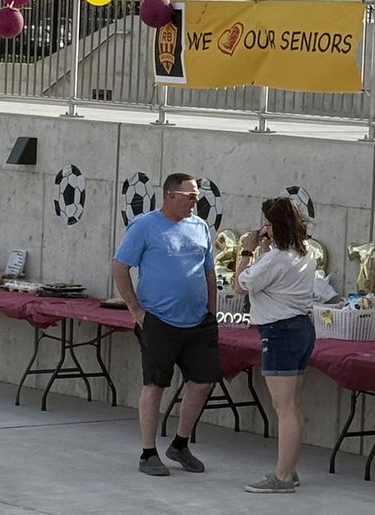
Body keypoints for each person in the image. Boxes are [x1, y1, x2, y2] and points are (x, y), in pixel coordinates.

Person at [112, 173, 221, 477]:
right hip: (158, 320)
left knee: (203, 381)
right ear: (171, 196)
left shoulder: (200, 228)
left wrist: (212, 312)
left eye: (196, 197)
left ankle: (181, 444)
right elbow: (120, 267)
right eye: (190, 197)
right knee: (155, 384)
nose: (194, 202)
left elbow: (209, 273)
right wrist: (136, 310)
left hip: (198, 322)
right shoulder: (145, 226)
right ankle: (148, 453)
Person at [234, 196, 316, 493]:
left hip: (279, 332)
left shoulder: (275, 259)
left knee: (284, 408)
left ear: (275, 225)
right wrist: (266, 246)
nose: (262, 227)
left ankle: (282, 477)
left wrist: (247, 250)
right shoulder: (304, 253)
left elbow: (238, 284)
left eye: (266, 223)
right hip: (301, 329)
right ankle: (289, 470)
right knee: (291, 405)